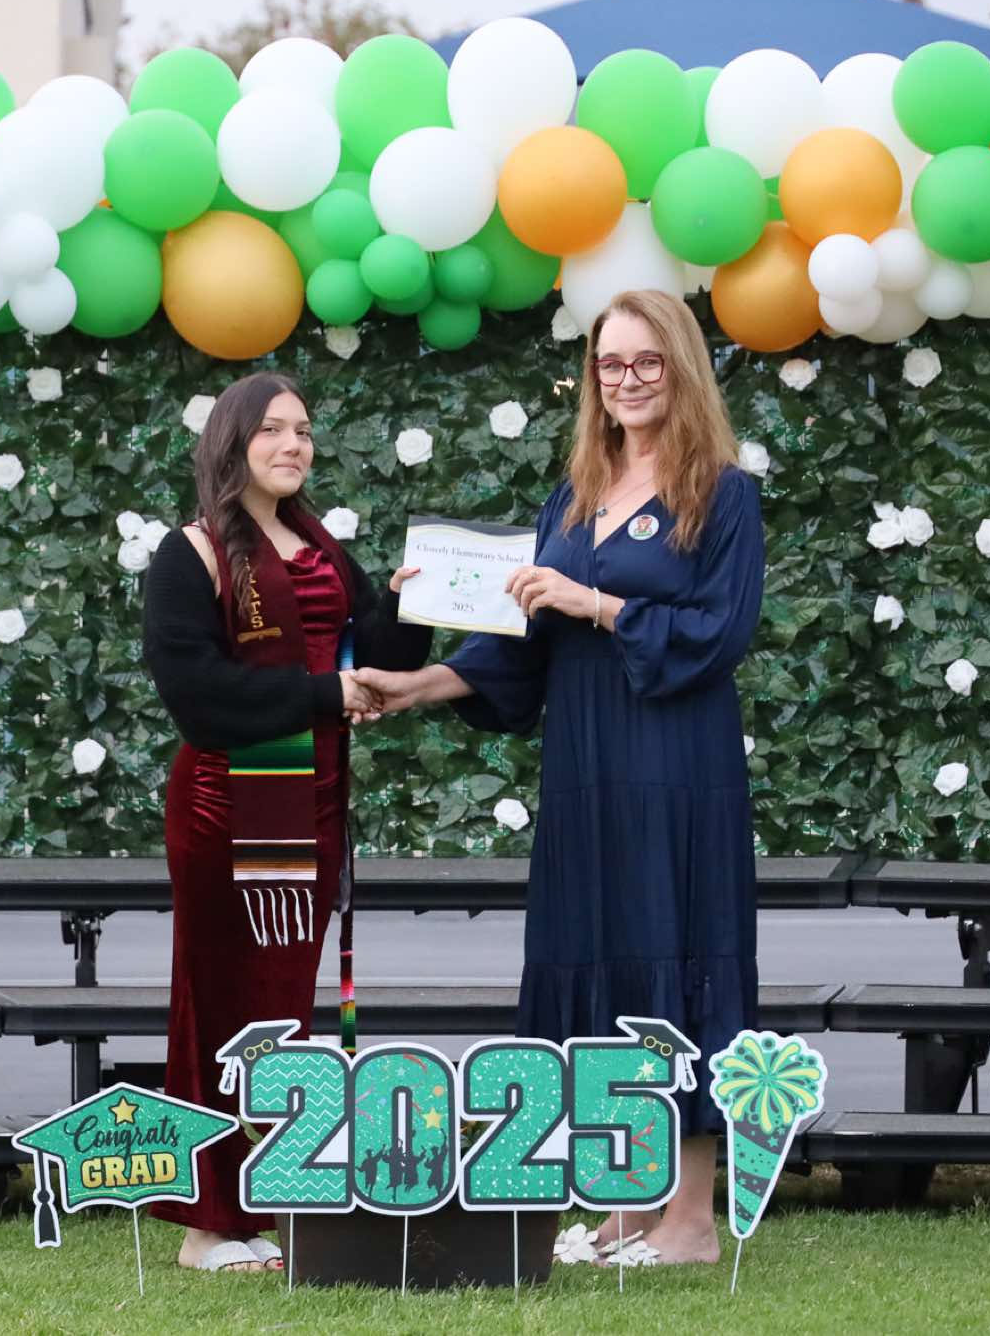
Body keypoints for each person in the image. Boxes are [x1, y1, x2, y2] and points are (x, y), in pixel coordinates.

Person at [354, 289, 765, 1266]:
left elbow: (719, 633)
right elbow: (518, 646)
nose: (626, 379)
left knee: (677, 953)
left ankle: (691, 1220)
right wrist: (412, 686)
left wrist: (597, 602)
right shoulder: (572, 498)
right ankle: (630, 1200)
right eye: (609, 363)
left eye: (645, 361)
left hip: (676, 767)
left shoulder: (723, 493)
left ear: (680, 367)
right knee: (597, 952)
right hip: (585, 769)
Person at [141, 371, 431, 1274]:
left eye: (303, 430)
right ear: (232, 441)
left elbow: (370, 659)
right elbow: (199, 697)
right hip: (225, 809)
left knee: (280, 1009)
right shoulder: (190, 553)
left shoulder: (319, 548)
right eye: (271, 429)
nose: (293, 445)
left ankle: (265, 1200)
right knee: (218, 1005)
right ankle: (205, 1223)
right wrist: (324, 695)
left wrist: (409, 607)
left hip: (310, 806)